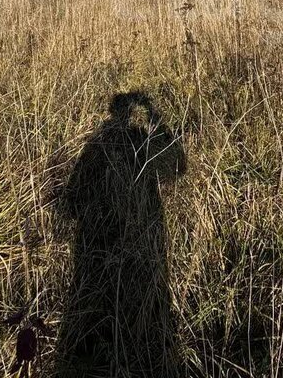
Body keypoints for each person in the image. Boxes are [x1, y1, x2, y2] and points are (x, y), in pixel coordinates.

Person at [56, 92, 186, 377]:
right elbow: (178, 167)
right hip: (137, 259)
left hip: (96, 259)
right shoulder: (140, 143)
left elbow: (71, 204)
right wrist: (156, 117)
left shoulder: (95, 146)